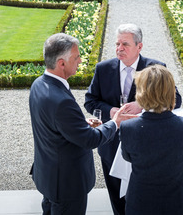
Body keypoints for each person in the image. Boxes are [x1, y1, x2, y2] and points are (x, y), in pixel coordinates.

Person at [29, 33, 133, 215]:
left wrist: (79, 122)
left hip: (47, 175)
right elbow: (90, 139)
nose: (80, 61)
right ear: (61, 63)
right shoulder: (61, 101)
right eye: (76, 57)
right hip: (66, 184)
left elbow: (51, 122)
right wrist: (115, 122)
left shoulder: (38, 84)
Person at [84, 23, 182, 215]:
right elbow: (90, 101)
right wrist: (112, 112)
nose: (119, 48)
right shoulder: (103, 69)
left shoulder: (156, 68)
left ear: (139, 46)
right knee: (117, 196)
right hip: (111, 143)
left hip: (146, 144)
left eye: (125, 44)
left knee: (144, 195)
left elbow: (176, 100)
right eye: (117, 44)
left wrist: (144, 104)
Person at [120, 65, 183, 215]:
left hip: (140, 201)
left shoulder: (128, 127)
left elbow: (127, 157)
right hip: (176, 201)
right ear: (171, 92)